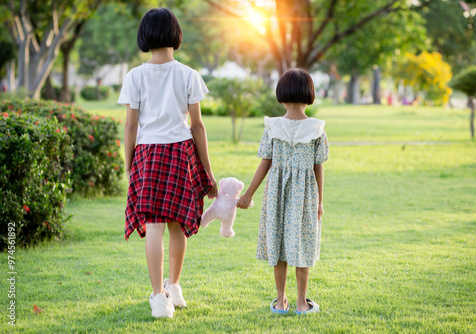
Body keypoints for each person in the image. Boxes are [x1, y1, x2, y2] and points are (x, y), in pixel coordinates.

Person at [117, 7, 217, 319]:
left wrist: (130, 163)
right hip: (180, 153)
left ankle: (160, 299)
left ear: (144, 36)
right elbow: (198, 126)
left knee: (155, 226)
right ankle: (174, 286)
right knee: (177, 226)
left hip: (148, 154)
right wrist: (208, 171)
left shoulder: (135, 76)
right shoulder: (188, 74)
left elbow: (131, 126)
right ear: (176, 34)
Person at [237, 69, 328, 315]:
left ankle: (280, 302)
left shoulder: (272, 126)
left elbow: (265, 163)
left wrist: (249, 194)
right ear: (309, 95)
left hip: (276, 196)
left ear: (281, 95)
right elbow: (318, 167)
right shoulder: (317, 129)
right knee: (303, 246)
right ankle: (301, 304)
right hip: (305, 197)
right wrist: (320, 201)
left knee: (278, 246)